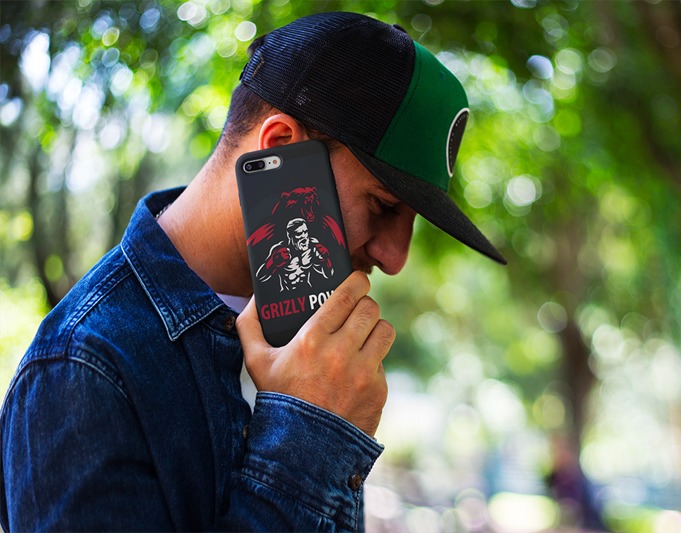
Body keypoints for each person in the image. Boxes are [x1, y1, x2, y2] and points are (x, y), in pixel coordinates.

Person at [0, 11, 506, 531]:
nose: (395, 258)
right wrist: (310, 432)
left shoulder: (311, 345)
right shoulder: (82, 369)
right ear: (281, 147)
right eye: (382, 205)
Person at [257, 217, 334, 290]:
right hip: (286, 294)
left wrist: (325, 260)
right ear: (290, 236)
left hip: (309, 291)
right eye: (299, 234)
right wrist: (272, 262)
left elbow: (329, 274)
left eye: (305, 232)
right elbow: (260, 278)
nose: (304, 237)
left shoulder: (312, 245)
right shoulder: (280, 249)